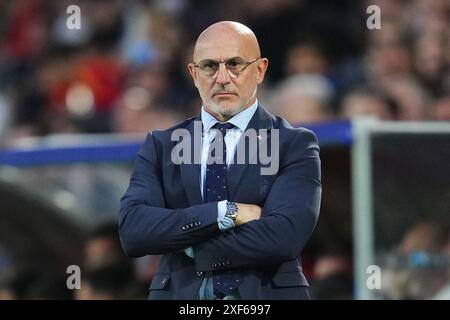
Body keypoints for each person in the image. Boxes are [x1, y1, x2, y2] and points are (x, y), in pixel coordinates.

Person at [119, 21, 322, 300]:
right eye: (210, 66)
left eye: (235, 64)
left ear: (260, 70)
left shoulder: (293, 143)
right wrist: (226, 212)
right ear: (193, 73)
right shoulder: (161, 145)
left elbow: (283, 237)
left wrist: (188, 245)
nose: (223, 77)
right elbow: (134, 231)